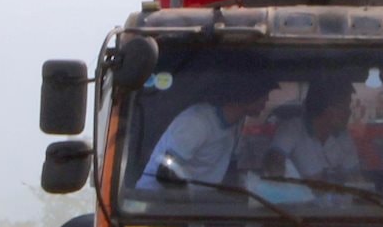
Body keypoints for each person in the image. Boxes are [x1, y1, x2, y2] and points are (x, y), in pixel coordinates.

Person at [136, 78, 273, 187]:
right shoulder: (196, 122)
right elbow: (166, 173)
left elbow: (229, 170)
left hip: (201, 210)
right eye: (264, 93)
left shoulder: (236, 125)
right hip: (156, 208)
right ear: (248, 93)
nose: (267, 100)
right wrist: (192, 205)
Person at [269, 79, 360, 180]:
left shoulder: (343, 136)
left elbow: (355, 178)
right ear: (328, 110)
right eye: (345, 107)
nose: (349, 112)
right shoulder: (292, 129)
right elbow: (273, 164)